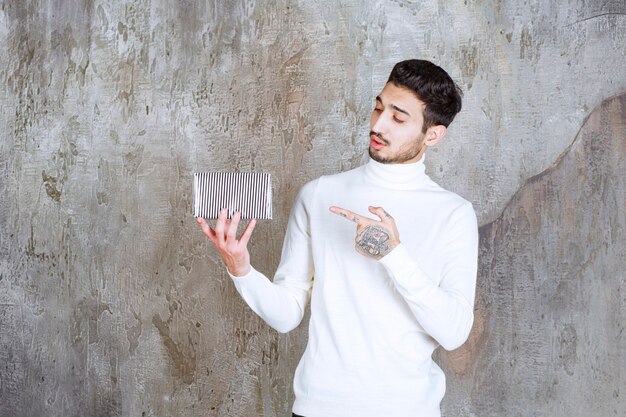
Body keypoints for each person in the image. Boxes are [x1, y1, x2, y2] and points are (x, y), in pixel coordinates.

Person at [197, 59, 478, 417]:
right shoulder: (319, 195)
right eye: (379, 107)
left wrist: (393, 254)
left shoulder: (453, 214)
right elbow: (286, 315)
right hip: (318, 408)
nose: (378, 124)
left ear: (433, 134)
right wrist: (241, 269)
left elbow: (453, 333)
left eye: (398, 117)